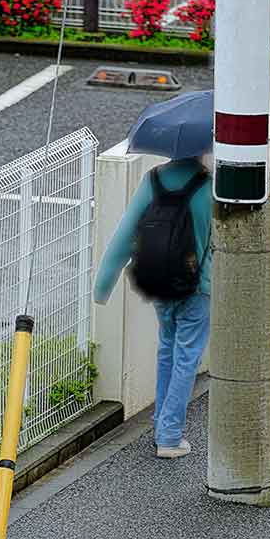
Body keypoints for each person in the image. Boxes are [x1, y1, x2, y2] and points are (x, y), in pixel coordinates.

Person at [94, 154, 212, 459]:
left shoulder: (153, 179)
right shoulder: (209, 186)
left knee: (167, 350)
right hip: (197, 286)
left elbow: (124, 236)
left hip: (159, 282)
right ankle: (170, 437)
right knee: (186, 356)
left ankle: (161, 424)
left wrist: (103, 286)